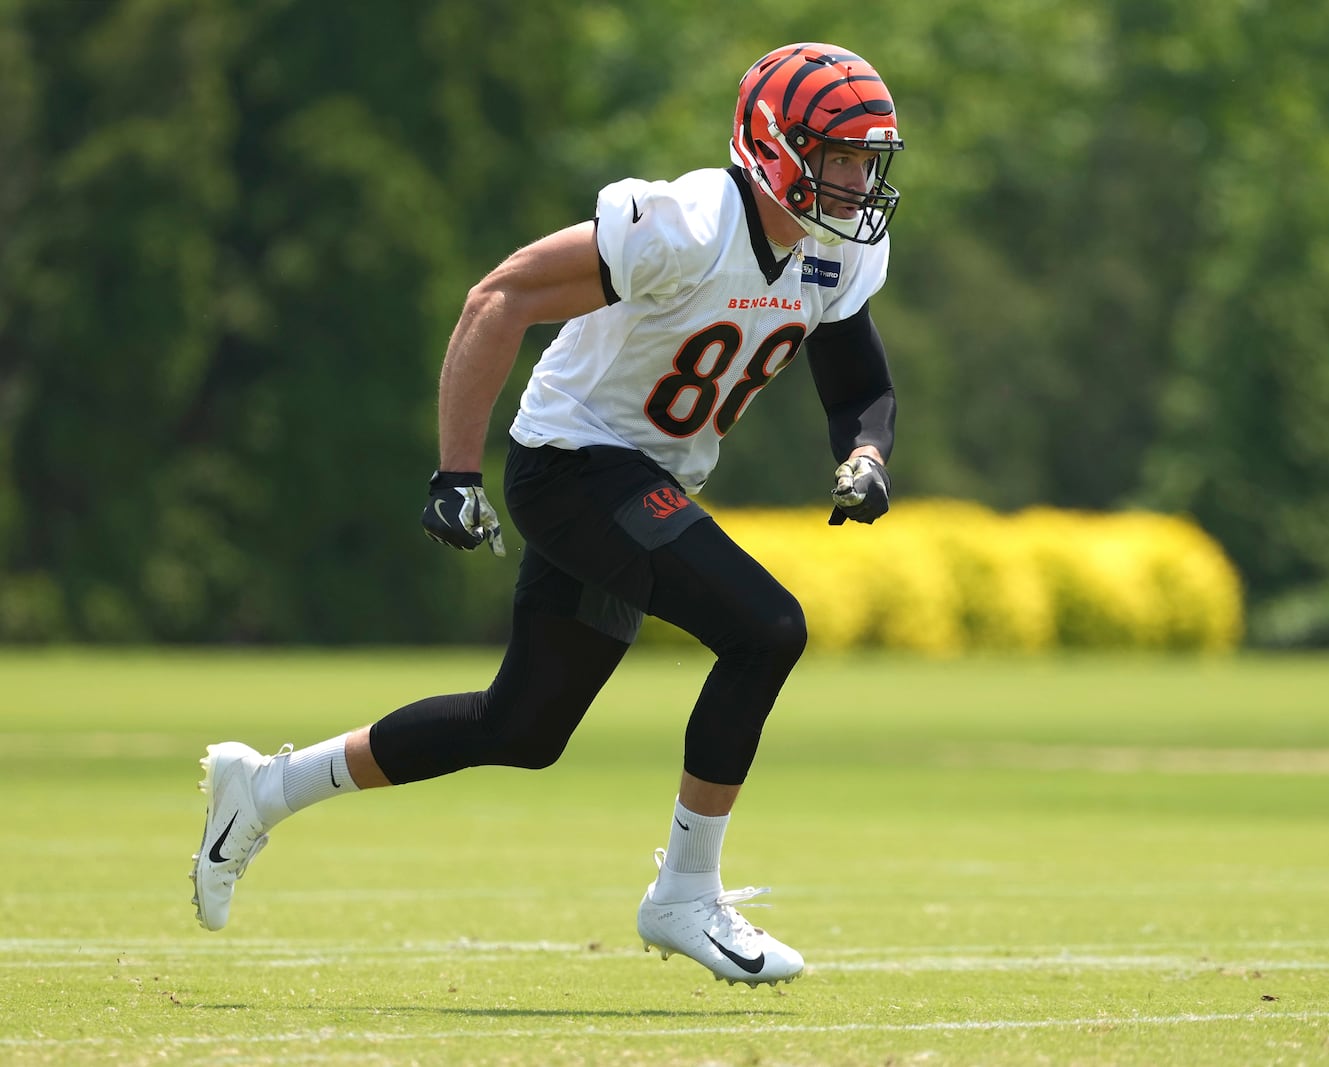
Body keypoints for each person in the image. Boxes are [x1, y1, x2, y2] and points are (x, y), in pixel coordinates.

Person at [189, 42, 903, 988]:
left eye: (865, 160)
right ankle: (687, 893)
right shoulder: (686, 223)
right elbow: (502, 294)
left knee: (521, 727)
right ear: (772, 145)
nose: (854, 182)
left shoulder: (832, 251)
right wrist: (455, 470)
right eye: (837, 156)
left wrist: (864, 453)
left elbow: (857, 380)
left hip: (643, 477)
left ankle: (266, 787)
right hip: (573, 466)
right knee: (768, 627)